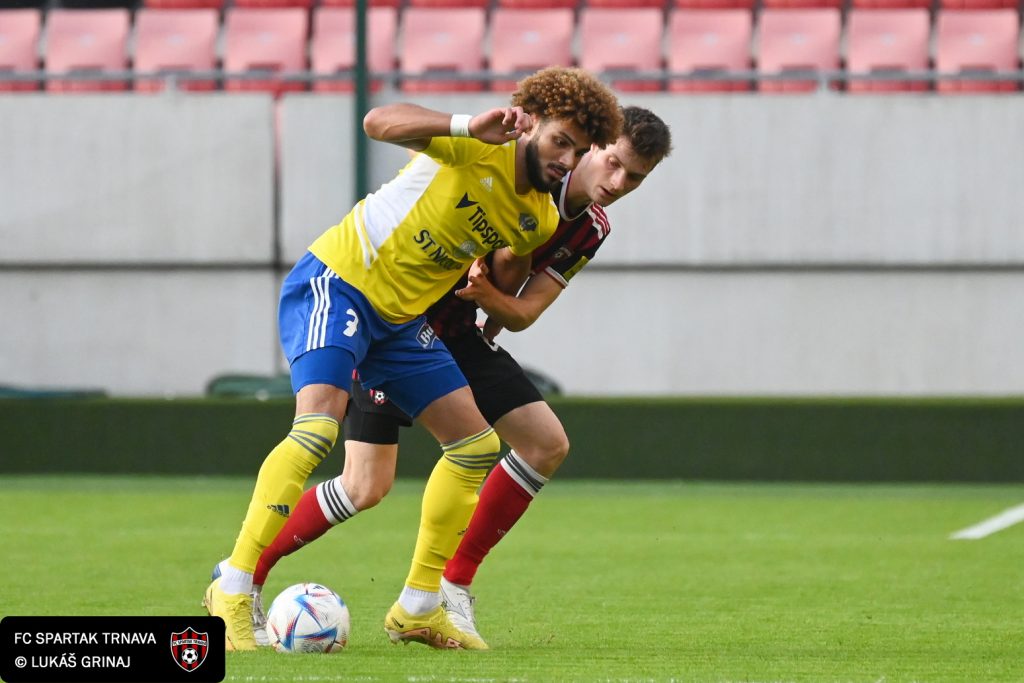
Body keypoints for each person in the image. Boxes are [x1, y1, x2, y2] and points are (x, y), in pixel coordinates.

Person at [202, 66, 623, 652]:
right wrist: (464, 125)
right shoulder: (473, 143)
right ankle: (232, 585)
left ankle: (419, 608)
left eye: (578, 150)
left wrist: (498, 282)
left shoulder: (542, 218)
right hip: (340, 282)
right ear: (529, 121)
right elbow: (378, 121)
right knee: (318, 429)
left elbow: (510, 277)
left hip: (400, 324)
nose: (566, 159)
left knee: (474, 446)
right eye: (560, 142)